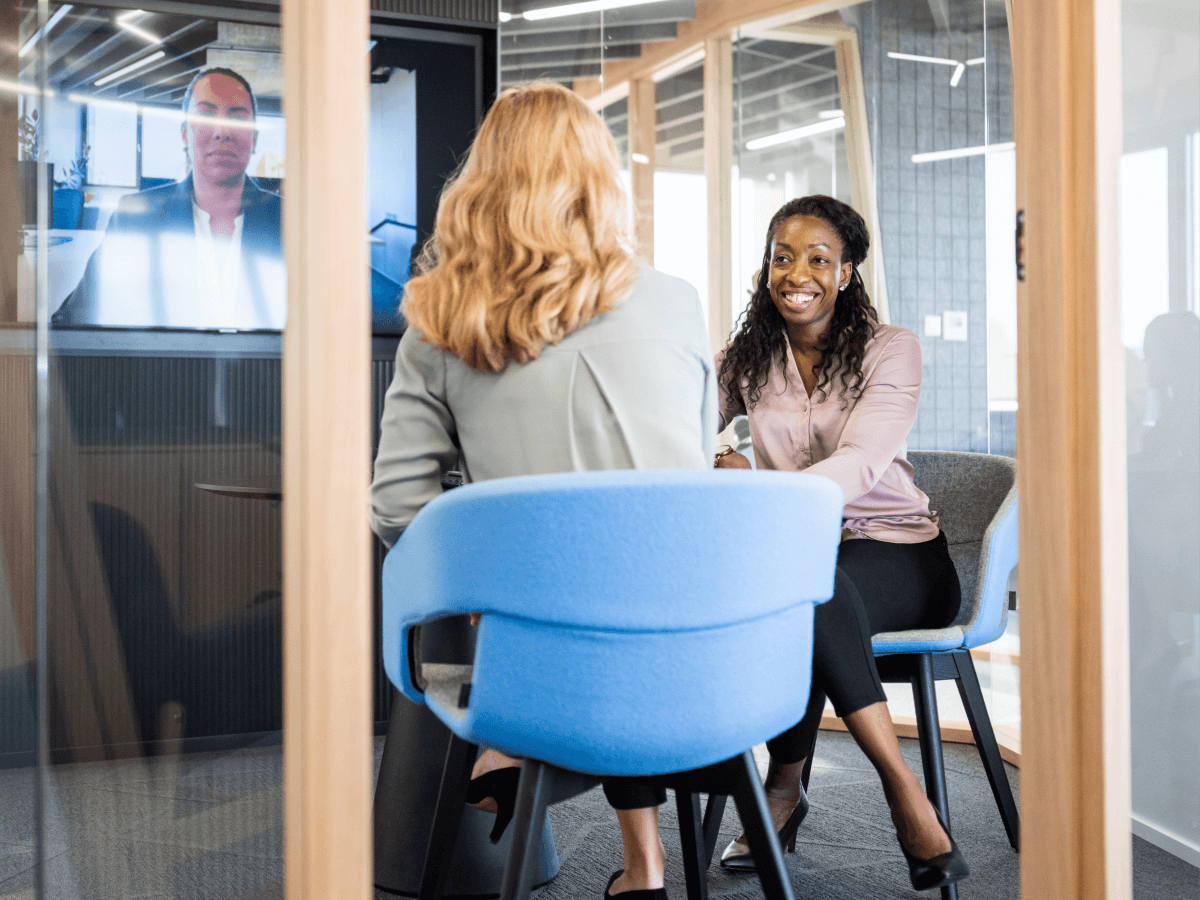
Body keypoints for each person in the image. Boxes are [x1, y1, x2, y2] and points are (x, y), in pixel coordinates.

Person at [368, 82, 715, 899]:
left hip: (544, 665)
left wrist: (486, 574)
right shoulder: (676, 300)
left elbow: (396, 508)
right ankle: (637, 852)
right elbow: (687, 483)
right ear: (601, 178)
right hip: (699, 660)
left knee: (510, 611)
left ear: (482, 180)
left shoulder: (438, 316)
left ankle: (515, 745)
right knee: (622, 563)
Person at [713, 195, 969, 893]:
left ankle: (874, 789)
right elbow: (670, 418)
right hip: (802, 557)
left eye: (819, 258)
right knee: (804, 588)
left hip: (900, 550)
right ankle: (835, 791)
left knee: (808, 589)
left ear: (847, 273)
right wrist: (714, 458)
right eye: (782, 257)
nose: (798, 272)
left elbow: (861, 463)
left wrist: (763, 489)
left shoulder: (893, 349)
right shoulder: (744, 359)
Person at [52, 67, 284, 329]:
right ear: (185, 135)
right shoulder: (134, 220)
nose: (222, 131)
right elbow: (73, 327)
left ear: (254, 139)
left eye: (238, 119)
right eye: (206, 115)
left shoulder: (295, 225)